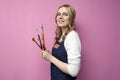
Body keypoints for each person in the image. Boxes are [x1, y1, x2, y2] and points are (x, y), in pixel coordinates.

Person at [40, 4, 81, 80]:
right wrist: (48, 55)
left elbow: (74, 70)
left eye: (65, 14)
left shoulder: (72, 36)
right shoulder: (61, 36)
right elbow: (62, 58)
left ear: (71, 19)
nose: (60, 17)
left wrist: (51, 58)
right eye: (58, 14)